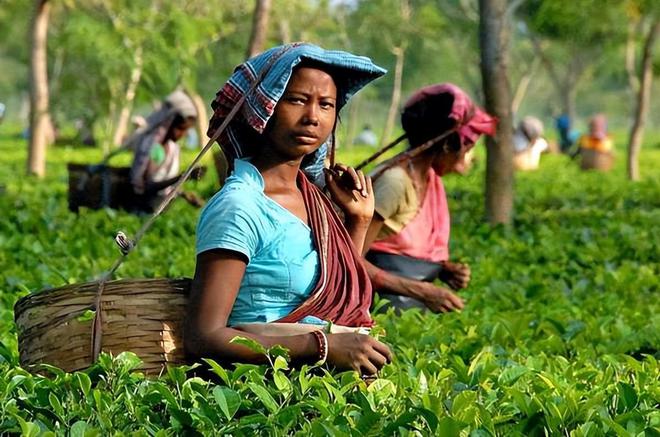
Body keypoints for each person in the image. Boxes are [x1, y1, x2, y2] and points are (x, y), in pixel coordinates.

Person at [185, 43, 393, 376]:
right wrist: (320, 347)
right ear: (263, 108)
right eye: (296, 100)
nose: (313, 117)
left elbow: (332, 296)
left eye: (326, 105)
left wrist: (358, 221)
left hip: (321, 392)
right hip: (261, 394)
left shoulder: (315, 199)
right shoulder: (240, 206)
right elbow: (204, 336)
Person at [361, 83, 496, 313]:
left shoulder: (428, 178)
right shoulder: (395, 183)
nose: (467, 159)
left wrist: (441, 270)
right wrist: (422, 290)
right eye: (467, 148)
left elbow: (398, 249)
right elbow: (348, 258)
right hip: (375, 311)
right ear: (446, 145)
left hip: (406, 313)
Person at [127, 90, 199, 212]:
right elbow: (147, 187)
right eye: (180, 128)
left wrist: (184, 195)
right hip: (144, 209)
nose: (183, 134)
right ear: (169, 123)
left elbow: (165, 184)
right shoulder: (153, 147)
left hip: (161, 208)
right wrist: (182, 177)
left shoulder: (172, 147)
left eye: (186, 130)